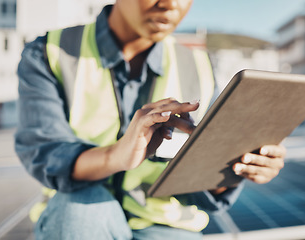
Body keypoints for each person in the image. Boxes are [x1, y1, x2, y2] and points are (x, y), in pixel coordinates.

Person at [15, 0, 286, 239]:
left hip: (166, 222)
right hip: (77, 216)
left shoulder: (199, 66)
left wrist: (238, 168)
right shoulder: (49, 52)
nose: (171, 4)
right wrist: (117, 155)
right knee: (80, 213)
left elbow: (198, 173)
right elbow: (46, 153)